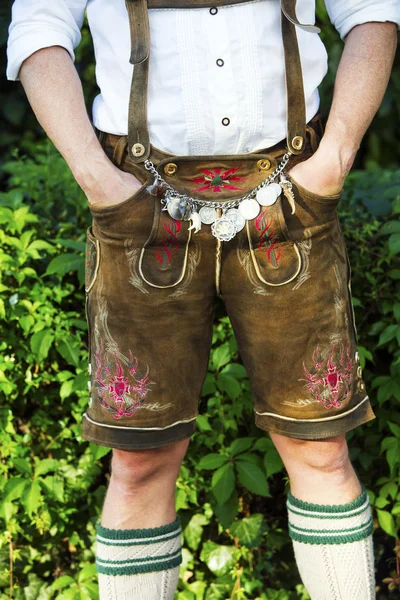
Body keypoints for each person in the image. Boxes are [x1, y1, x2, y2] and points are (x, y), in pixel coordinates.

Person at [7, 0, 399, 598]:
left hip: (292, 201)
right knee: (140, 461)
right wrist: (96, 178)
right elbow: (38, 26)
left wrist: (337, 155)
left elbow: (373, 8)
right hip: (136, 205)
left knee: (319, 449)